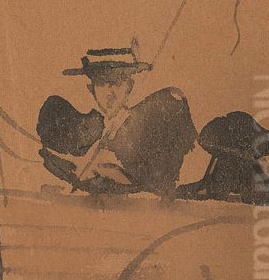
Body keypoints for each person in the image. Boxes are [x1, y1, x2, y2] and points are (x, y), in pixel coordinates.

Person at [37, 47, 196, 196]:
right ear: (91, 88)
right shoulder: (83, 125)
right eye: (101, 83)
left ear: (130, 86)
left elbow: (158, 184)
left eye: (118, 82)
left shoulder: (152, 120)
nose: (110, 93)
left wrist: (116, 172)